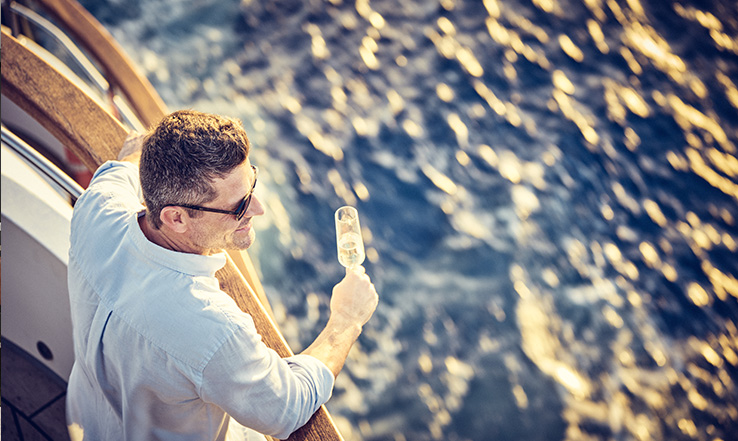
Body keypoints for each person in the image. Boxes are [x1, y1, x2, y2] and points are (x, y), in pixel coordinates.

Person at [66, 110, 378, 440]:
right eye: (239, 205)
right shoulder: (212, 328)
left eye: (252, 184)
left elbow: (125, 163)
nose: (258, 208)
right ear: (176, 219)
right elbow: (286, 407)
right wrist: (347, 319)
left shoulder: (96, 206)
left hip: (91, 422)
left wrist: (150, 148)